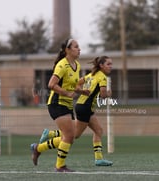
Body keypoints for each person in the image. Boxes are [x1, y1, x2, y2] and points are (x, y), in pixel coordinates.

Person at [38, 56, 113, 166]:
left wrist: (81, 91)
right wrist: (109, 93)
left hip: (84, 107)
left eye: (111, 64)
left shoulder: (91, 75)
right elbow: (102, 95)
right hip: (85, 108)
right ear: (101, 65)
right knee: (73, 135)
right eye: (108, 64)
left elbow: (77, 83)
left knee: (98, 131)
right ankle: (45, 141)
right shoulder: (102, 77)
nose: (111, 66)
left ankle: (99, 159)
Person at [31, 38, 82, 172]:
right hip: (56, 103)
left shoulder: (77, 65)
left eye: (79, 47)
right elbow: (51, 84)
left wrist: (82, 90)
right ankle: (59, 166)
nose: (79, 49)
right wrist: (66, 93)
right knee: (69, 136)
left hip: (67, 104)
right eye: (76, 47)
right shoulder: (62, 64)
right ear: (67, 50)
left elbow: (74, 86)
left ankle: (38, 148)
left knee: (70, 136)